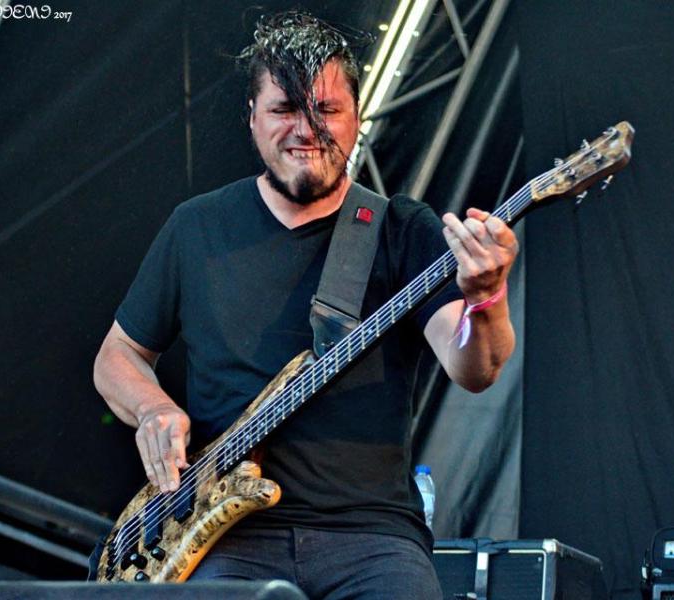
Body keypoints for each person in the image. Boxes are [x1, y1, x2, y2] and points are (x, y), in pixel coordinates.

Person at [93, 12, 517, 599]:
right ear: (253, 117)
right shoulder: (197, 227)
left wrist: (486, 297)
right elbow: (117, 355)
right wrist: (152, 409)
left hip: (372, 536)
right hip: (226, 538)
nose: (306, 129)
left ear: (357, 117)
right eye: (284, 109)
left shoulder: (402, 229)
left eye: (326, 109)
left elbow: (475, 368)